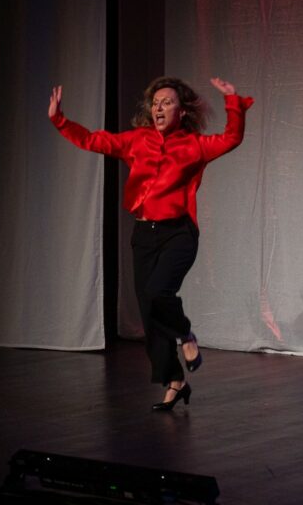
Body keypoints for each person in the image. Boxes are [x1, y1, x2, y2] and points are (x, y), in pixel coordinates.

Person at [48, 77, 253, 411]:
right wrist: (60, 120)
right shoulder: (136, 140)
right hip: (144, 236)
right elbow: (92, 140)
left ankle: (186, 336)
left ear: (182, 112)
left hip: (178, 234)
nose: (159, 108)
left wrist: (233, 102)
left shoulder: (195, 146)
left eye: (167, 102)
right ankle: (175, 380)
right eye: (155, 103)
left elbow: (232, 137)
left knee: (159, 292)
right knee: (149, 314)